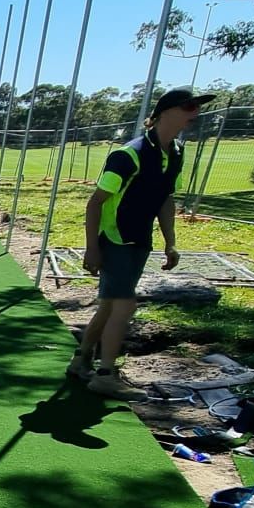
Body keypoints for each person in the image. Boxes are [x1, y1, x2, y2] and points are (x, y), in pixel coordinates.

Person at [72, 88, 210, 398]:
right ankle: (105, 374)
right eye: (189, 106)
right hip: (115, 239)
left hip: (140, 240)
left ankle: (81, 362)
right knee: (124, 305)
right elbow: (95, 203)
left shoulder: (175, 153)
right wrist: (92, 247)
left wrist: (170, 242)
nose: (195, 113)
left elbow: (165, 199)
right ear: (165, 112)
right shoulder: (128, 155)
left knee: (109, 307)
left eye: (197, 108)